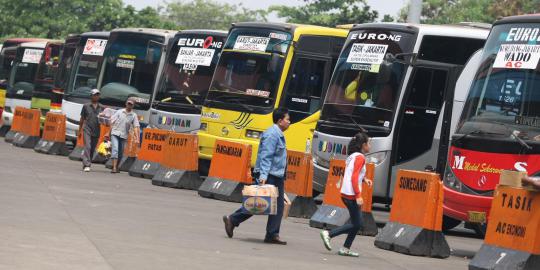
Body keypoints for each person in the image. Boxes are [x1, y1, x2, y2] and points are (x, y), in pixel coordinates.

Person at [222, 107, 290, 245]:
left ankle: (272, 234)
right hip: (269, 174)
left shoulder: (278, 134)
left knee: (277, 206)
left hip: (276, 175)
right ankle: (232, 220)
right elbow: (266, 156)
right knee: (258, 203)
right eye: (287, 119)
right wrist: (263, 176)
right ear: (280, 120)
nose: (290, 122)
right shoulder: (272, 135)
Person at [319, 131, 373, 257]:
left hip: (346, 192)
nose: (370, 145)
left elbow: (354, 174)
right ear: (363, 145)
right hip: (352, 194)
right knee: (357, 223)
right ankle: (329, 234)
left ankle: (345, 248)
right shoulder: (360, 157)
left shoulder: (353, 156)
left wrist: (364, 179)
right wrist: (358, 195)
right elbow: (354, 177)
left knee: (356, 223)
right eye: (369, 143)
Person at [110, 98, 140, 173]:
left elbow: (136, 126)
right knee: (115, 149)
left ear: (133, 106)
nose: (129, 105)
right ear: (126, 104)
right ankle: (113, 168)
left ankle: (116, 167)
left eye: (131, 104)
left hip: (124, 135)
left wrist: (137, 137)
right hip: (115, 133)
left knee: (120, 153)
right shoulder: (119, 112)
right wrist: (108, 132)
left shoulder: (133, 115)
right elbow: (111, 122)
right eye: (128, 103)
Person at [79, 89, 104, 172]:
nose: (96, 96)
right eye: (95, 95)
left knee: (92, 148)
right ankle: (87, 164)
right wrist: (79, 130)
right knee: (88, 146)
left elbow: (104, 120)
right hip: (87, 129)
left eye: (98, 95)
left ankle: (87, 162)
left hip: (96, 130)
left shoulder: (102, 107)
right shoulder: (86, 106)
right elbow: (82, 119)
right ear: (91, 96)